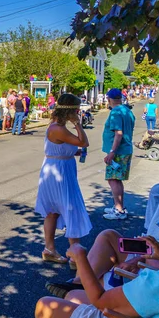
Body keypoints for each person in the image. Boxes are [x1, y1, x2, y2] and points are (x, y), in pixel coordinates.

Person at [35, 94, 91, 270]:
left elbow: (59, 147)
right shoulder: (58, 128)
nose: (78, 111)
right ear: (70, 110)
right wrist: (77, 123)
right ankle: (75, 255)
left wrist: (73, 153)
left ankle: (49, 249)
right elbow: (84, 142)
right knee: (70, 207)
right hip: (59, 173)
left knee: (53, 211)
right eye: (76, 108)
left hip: (55, 168)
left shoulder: (57, 127)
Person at [102, 88, 135, 220]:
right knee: (116, 179)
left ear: (109, 99)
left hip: (118, 152)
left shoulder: (115, 112)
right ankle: (119, 206)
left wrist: (111, 152)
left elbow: (118, 133)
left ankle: (118, 209)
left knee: (113, 179)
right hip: (125, 149)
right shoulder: (126, 110)